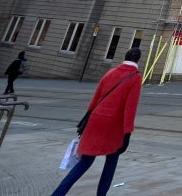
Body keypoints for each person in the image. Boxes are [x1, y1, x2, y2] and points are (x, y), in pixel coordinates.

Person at [50, 47, 143, 196]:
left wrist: (86, 118)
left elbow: (95, 99)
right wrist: (128, 133)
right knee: (111, 162)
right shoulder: (135, 77)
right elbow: (130, 108)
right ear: (138, 60)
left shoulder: (110, 73)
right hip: (114, 127)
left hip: (95, 120)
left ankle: (57, 193)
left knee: (84, 163)